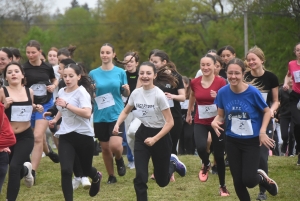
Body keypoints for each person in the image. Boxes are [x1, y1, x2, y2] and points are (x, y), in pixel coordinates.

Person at [112, 61, 187, 201]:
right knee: (141, 176)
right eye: (142, 73)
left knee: (162, 181)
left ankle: (172, 163)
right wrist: (117, 124)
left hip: (161, 136)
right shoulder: (136, 93)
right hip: (143, 134)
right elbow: (126, 111)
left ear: (154, 75)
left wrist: (155, 139)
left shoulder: (159, 95)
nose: (145, 76)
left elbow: (170, 122)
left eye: (148, 73)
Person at [212, 58, 278, 201]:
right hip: (232, 140)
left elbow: (267, 112)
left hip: (252, 141)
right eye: (230, 73)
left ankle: (261, 178)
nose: (233, 77)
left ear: (243, 74)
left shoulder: (252, 92)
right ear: (226, 73)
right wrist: (214, 122)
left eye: (237, 73)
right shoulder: (222, 92)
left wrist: (262, 132)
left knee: (248, 180)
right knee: (237, 180)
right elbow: (220, 115)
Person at [48, 63, 102, 201]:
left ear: (78, 76)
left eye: (71, 76)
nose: (67, 79)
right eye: (65, 76)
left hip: (84, 136)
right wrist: (55, 119)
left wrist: (67, 105)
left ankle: (96, 177)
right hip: (66, 135)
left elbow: (87, 113)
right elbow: (62, 109)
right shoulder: (61, 91)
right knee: (66, 170)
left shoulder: (82, 92)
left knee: (86, 169)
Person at [186, 54, 228, 196]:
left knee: (219, 155)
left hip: (218, 121)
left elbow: (227, 100)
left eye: (208, 64)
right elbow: (192, 95)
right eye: (202, 65)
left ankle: (223, 186)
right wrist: (189, 112)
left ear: (215, 65)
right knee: (200, 146)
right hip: (201, 120)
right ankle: (206, 163)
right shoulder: (195, 82)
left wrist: (218, 96)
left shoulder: (221, 82)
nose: (205, 67)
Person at [0, 62, 43, 201]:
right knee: (15, 169)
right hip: (7, 137)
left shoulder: (29, 91)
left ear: (22, 75)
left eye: (16, 71)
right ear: (6, 77)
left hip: (25, 136)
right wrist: (4, 105)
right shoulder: (2, 91)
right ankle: (26, 170)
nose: (13, 74)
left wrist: (35, 107)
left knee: (13, 168)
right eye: (10, 72)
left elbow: (28, 108)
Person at [89, 43, 130, 184]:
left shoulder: (120, 72)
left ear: (113, 54)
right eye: (102, 52)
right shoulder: (93, 73)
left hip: (116, 113)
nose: (105, 55)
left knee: (115, 146)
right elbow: (90, 94)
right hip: (100, 115)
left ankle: (119, 159)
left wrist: (126, 89)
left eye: (108, 52)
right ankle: (111, 176)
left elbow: (125, 93)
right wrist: (92, 90)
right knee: (105, 148)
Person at [244, 46, 279, 201]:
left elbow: (276, 101)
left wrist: (271, 110)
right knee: (248, 156)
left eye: (254, 59)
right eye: (249, 59)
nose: (251, 62)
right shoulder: (244, 77)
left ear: (261, 60)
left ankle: (262, 191)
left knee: (262, 158)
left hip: (265, 121)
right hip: (246, 121)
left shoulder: (271, 77)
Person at [23, 40, 58, 183]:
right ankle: (48, 152)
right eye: (28, 52)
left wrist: (53, 86)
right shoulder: (23, 68)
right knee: (38, 137)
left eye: (33, 52)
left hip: (45, 104)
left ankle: (32, 171)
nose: (30, 55)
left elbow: (54, 79)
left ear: (39, 52)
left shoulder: (47, 67)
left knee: (37, 136)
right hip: (29, 105)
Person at [150, 50, 185, 181]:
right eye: (151, 61)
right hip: (156, 116)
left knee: (171, 144)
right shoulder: (152, 76)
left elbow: (183, 97)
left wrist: (172, 96)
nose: (153, 64)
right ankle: (156, 171)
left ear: (164, 62)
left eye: (155, 62)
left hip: (173, 116)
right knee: (157, 144)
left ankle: (171, 172)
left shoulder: (176, 76)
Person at [123, 51, 142, 169]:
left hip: (140, 109)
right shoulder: (121, 75)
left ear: (136, 63)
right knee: (129, 135)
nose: (128, 64)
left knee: (136, 132)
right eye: (126, 61)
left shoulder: (142, 75)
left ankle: (139, 157)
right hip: (126, 109)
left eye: (131, 61)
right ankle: (132, 159)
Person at [283, 42, 300, 165]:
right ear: (295, 52)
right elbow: (288, 75)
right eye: (298, 50)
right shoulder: (291, 64)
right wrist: (285, 83)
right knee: (297, 124)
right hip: (295, 96)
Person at [278, 78, 295, 156]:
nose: (291, 81)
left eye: (293, 79)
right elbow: (277, 101)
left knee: (292, 133)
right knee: (284, 135)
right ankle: (285, 144)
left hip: (295, 115)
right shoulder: (281, 90)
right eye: (290, 79)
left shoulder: (297, 90)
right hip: (284, 114)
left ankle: (291, 152)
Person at [179, 76, 195, 155]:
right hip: (179, 118)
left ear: (187, 84)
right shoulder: (177, 95)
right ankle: (181, 153)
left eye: (183, 83)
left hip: (189, 117)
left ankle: (190, 152)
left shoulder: (191, 96)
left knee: (188, 135)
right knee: (180, 136)